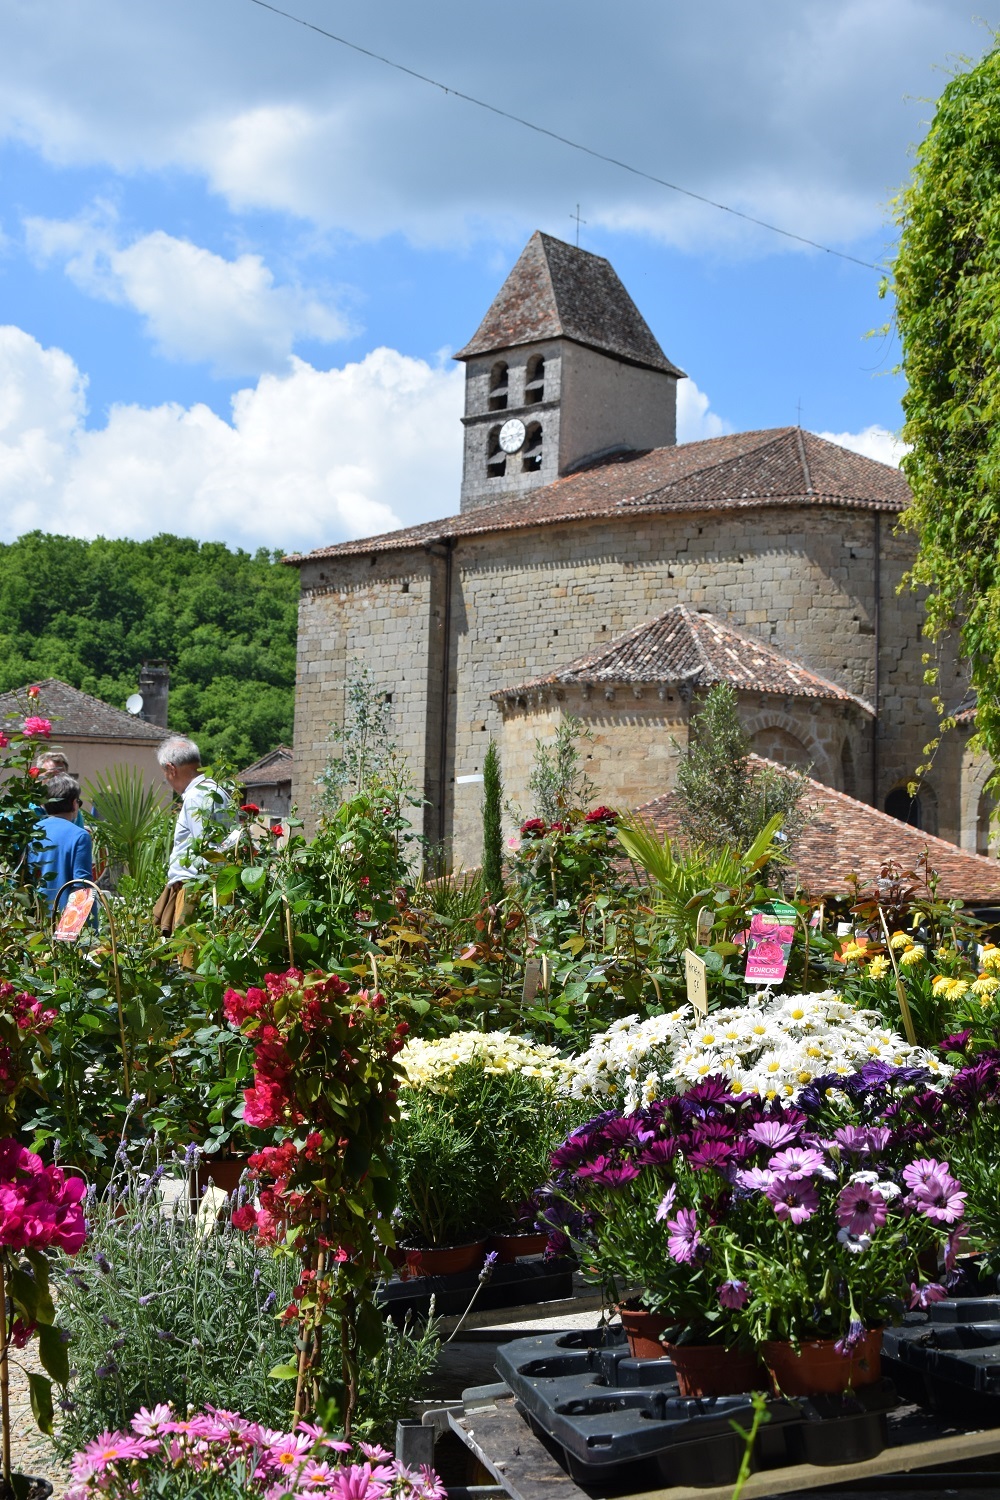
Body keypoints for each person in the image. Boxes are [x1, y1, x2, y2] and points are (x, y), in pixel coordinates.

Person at [153, 735, 232, 937]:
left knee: (189, 957)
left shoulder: (197, 796)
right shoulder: (216, 790)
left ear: (171, 769)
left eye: (165, 773)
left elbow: (205, 850)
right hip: (211, 887)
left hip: (195, 890)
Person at [31, 773, 94, 912]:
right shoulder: (80, 836)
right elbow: (81, 887)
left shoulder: (31, 831)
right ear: (74, 803)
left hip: (31, 919)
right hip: (63, 921)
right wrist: (92, 929)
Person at [35, 750, 86, 828]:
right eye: (50, 775)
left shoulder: (72, 811)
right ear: (38, 777)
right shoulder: (24, 808)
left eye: (60, 776)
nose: (55, 780)